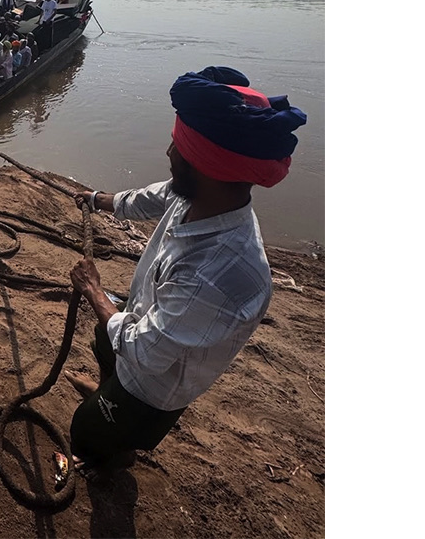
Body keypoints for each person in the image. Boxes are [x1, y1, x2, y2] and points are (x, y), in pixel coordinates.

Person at [64, 66, 307, 473]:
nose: (169, 153)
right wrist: (98, 200)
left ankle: (110, 451)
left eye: (178, 146)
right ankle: (107, 394)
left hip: (151, 384)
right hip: (140, 330)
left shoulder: (217, 275)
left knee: (84, 431)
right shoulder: (201, 195)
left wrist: (93, 290)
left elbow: (144, 352)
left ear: (205, 164)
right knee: (102, 341)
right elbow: (154, 196)